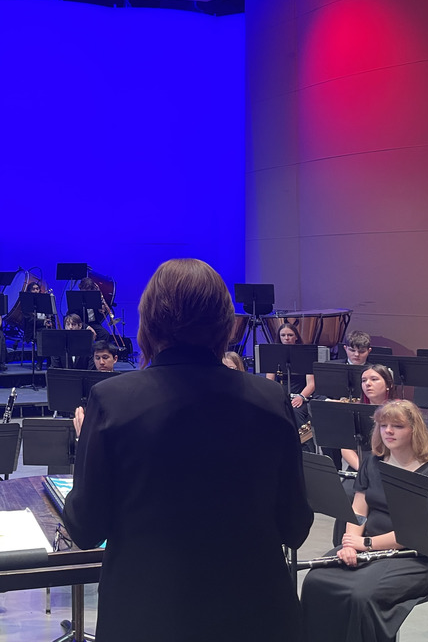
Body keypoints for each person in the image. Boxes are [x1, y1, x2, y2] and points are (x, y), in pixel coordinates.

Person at [62, 258, 312, 641]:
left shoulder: (112, 400)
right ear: (226, 326)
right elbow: (295, 527)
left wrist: (84, 446)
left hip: (148, 616)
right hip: (256, 616)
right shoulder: (270, 399)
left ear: (149, 323)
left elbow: (85, 528)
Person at [301, 399, 428, 642]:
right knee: (316, 580)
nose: (388, 431)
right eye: (383, 425)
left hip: (413, 558)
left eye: (397, 426)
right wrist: (350, 543)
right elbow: (359, 508)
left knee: (360, 595)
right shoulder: (372, 461)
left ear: (415, 430)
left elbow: (414, 533)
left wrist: (365, 544)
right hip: (364, 547)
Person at [266, 322, 315, 431]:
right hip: (281, 396)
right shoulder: (273, 356)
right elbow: (270, 382)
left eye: (290, 335)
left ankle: (304, 444)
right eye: (283, 335)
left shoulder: (306, 356)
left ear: (296, 337)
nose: (286, 338)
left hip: (301, 397)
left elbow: (311, 384)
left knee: (295, 412)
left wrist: (301, 397)